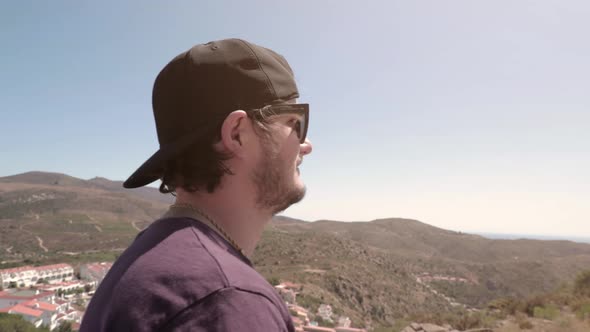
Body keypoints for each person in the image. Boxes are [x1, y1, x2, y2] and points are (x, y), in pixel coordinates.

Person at [80, 38, 312, 331]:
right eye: (295, 123)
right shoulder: (226, 301)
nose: (307, 145)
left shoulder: (153, 256)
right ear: (238, 133)